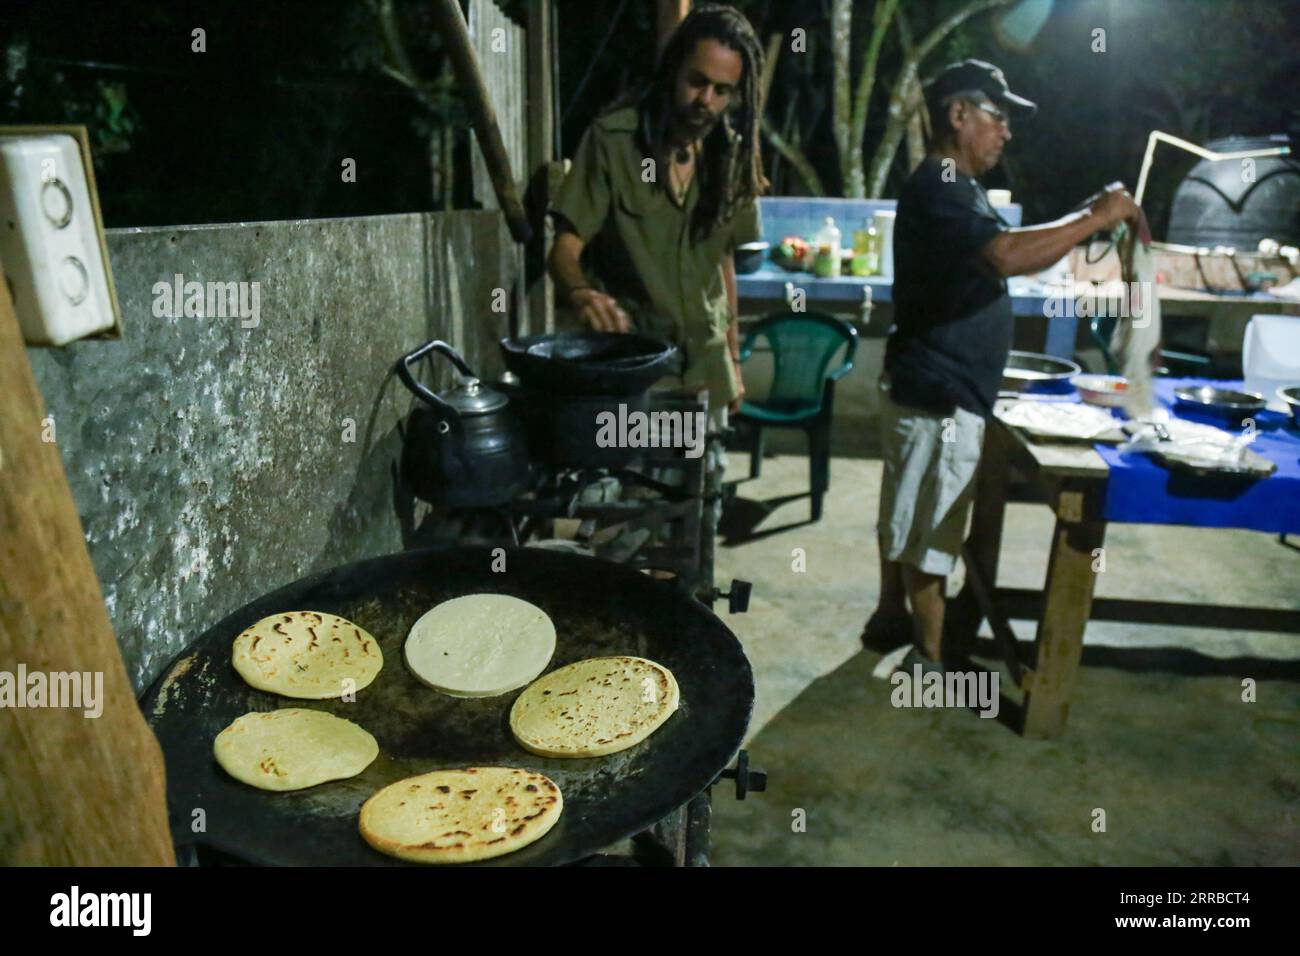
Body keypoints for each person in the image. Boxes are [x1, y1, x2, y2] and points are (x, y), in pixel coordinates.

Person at [865, 59, 1141, 672]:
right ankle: (931, 663)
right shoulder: (942, 183)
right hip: (939, 391)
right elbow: (1006, 256)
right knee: (931, 530)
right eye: (999, 117)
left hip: (929, 382)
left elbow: (1007, 249)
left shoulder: (955, 187)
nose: (1006, 133)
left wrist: (1085, 214)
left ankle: (891, 617)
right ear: (958, 114)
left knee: (906, 510)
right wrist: (1097, 218)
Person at [546, 2, 768, 438]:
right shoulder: (614, 141)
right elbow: (565, 247)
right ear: (673, 69)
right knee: (640, 496)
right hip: (637, 376)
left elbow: (723, 265)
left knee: (701, 495)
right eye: (697, 82)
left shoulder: (734, 158)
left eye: (722, 91)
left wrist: (734, 361)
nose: (706, 100)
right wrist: (581, 292)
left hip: (708, 372)